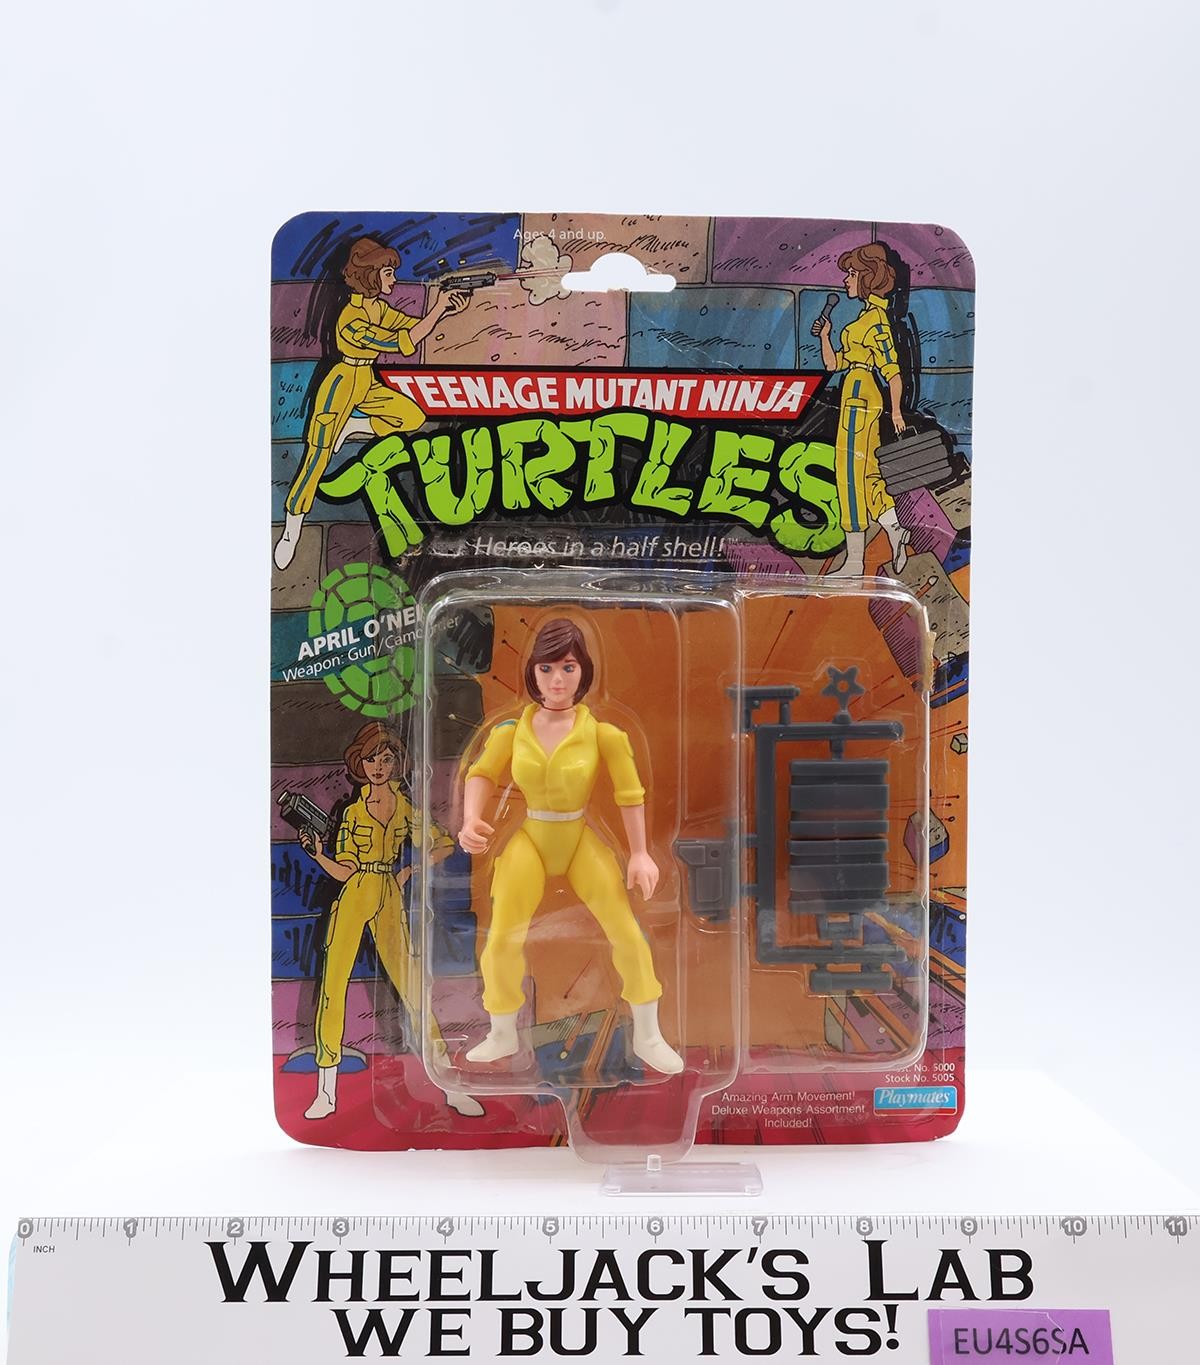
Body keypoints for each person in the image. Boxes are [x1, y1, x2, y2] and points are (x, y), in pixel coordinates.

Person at [458, 618, 684, 1075]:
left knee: (624, 929)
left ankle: (648, 1033)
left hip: (579, 837)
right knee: (503, 935)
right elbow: (481, 773)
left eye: (567, 668)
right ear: (532, 672)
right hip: (531, 838)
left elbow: (630, 794)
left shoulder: (603, 735)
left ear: (583, 672)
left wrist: (641, 853)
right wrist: (471, 818)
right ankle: (502, 1031)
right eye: (546, 669)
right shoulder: (512, 731)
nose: (557, 680)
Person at [299, 721, 484, 1120]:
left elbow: (443, 843)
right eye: (372, 760)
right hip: (355, 894)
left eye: (386, 759)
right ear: (360, 764)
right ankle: (326, 1091)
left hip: (388, 892)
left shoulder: (404, 808)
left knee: (413, 987)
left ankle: (449, 1085)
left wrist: (411, 870)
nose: (379, 767)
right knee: (333, 986)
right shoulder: (352, 811)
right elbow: (345, 869)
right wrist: (317, 854)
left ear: (397, 763)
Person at [274, 237, 468, 570]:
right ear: (369, 275)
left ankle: (353, 426)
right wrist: (437, 310)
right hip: (341, 383)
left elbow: (409, 325)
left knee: (410, 416)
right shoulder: (351, 318)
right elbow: (400, 342)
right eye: (388, 272)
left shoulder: (376, 307)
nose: (393, 279)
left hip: (366, 379)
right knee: (316, 459)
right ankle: (292, 528)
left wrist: (445, 309)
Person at [811, 242, 912, 576]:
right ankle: (895, 529)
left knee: (849, 473)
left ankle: (854, 561)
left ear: (869, 278)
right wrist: (825, 336)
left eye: (852, 274)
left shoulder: (876, 321)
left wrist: (896, 412)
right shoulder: (865, 318)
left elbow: (892, 371)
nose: (846, 280)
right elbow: (833, 364)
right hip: (855, 389)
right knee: (867, 474)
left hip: (860, 395)